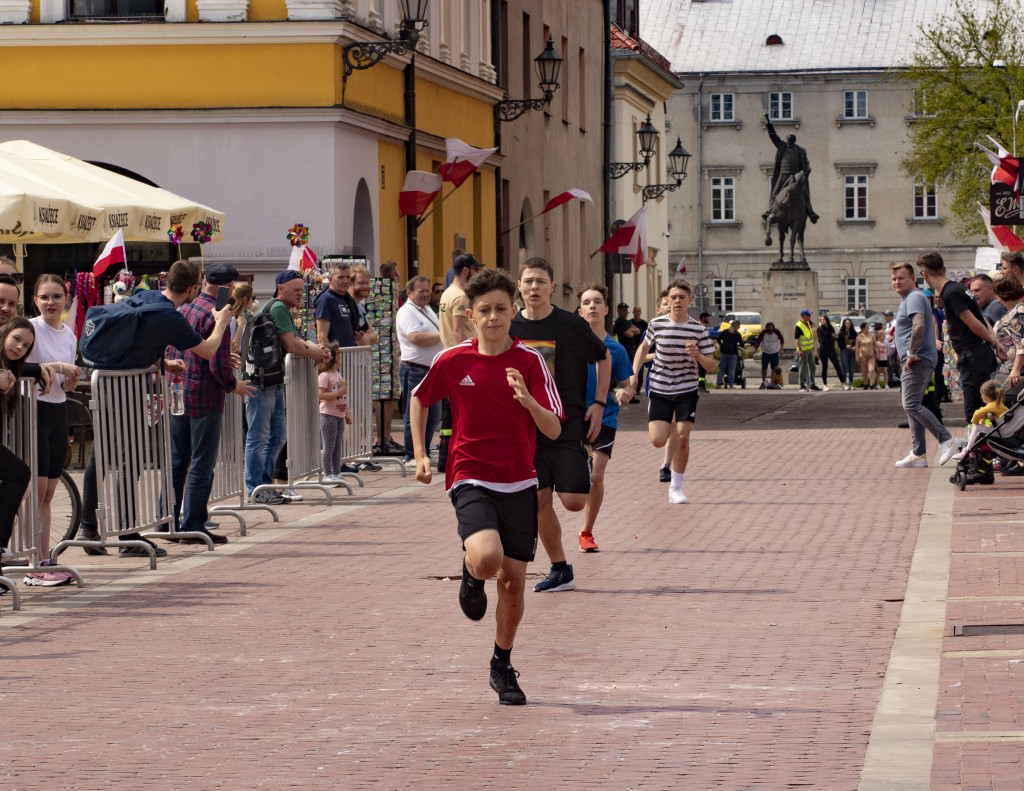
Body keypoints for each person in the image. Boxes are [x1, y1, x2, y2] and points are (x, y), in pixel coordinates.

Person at [409, 267, 563, 705]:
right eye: (484, 310)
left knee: (514, 582)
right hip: (469, 473)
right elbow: (421, 399)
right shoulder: (453, 360)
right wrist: (420, 453)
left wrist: (528, 401)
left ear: (513, 311)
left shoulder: (531, 362)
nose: (493, 317)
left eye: (500, 308)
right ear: (470, 317)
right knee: (488, 558)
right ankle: (472, 572)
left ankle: (502, 663)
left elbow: (552, 430)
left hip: (519, 479)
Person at [76, 261, 234, 557]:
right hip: (127, 389)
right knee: (131, 460)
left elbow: (135, 342)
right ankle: (127, 534)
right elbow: (208, 349)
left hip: (107, 383)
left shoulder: (146, 296)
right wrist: (222, 320)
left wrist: (162, 363)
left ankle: (87, 527)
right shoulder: (168, 316)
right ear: (191, 288)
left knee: (102, 455)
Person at [510, 258, 609, 592]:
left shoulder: (571, 324)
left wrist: (599, 403)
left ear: (552, 287)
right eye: (528, 281)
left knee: (573, 502)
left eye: (541, 281)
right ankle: (560, 569)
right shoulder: (510, 327)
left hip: (567, 423)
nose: (534, 287)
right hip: (525, 428)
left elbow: (603, 356)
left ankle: (576, 466)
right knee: (539, 500)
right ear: (519, 286)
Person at [167, 263, 255, 545]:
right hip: (205, 396)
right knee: (202, 463)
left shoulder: (187, 309)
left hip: (180, 391)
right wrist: (234, 385)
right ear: (227, 288)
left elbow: (175, 348)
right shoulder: (219, 315)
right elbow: (217, 364)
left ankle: (167, 520)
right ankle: (193, 523)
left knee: (179, 460)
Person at [244, 270, 330, 505]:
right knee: (259, 436)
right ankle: (256, 488)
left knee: (277, 435)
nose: (301, 294)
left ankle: (265, 485)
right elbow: (291, 344)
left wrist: (314, 349)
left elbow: (295, 339)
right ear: (281, 289)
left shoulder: (281, 308)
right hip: (262, 382)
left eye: (302, 290)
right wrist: (315, 352)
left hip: (272, 380)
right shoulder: (279, 308)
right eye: (296, 290)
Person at [630, 279, 717, 504]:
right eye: (673, 297)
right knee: (659, 440)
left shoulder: (699, 330)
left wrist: (698, 356)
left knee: (682, 438)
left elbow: (712, 365)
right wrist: (633, 374)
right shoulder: (657, 324)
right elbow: (642, 349)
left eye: (681, 297)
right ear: (667, 300)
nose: (677, 301)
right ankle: (664, 422)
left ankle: (676, 487)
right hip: (659, 387)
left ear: (690, 301)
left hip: (687, 389)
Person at [27, 275, 80, 572]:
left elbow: (64, 383)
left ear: (65, 300)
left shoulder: (69, 335)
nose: (50, 302)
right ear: (35, 300)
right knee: (35, 490)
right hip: (32, 410)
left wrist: (70, 380)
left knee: (49, 492)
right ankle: (33, 557)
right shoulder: (29, 329)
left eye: (56, 297)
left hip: (58, 412)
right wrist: (59, 368)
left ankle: (44, 556)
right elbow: (21, 365)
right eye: (45, 297)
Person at [576, 284, 635, 553]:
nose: (592, 306)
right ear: (580, 311)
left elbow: (625, 383)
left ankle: (586, 532)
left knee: (596, 476)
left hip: (605, 418)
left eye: (597, 302)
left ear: (606, 309)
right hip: (572, 417)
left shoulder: (617, 349)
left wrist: (624, 391)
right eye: (587, 302)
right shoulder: (570, 346)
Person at [918, 251, 1004, 423]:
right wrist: (994, 342)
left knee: (975, 408)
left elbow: (973, 322)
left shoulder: (950, 294)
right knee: (982, 403)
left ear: (924, 275)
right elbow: (981, 318)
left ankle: (980, 446)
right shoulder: (960, 288)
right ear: (944, 268)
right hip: (979, 352)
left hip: (973, 354)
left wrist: (992, 342)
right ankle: (982, 443)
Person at [890, 261, 957, 468]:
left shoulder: (914, 297)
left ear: (913, 278)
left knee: (910, 404)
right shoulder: (909, 298)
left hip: (918, 359)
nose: (897, 282)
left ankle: (947, 439)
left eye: (901, 277)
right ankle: (919, 453)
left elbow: (918, 324)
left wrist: (911, 353)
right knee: (913, 405)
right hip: (916, 359)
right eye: (894, 279)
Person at [437, 253, 483, 472]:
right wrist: (468, 360)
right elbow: (458, 331)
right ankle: (452, 457)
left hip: (449, 357)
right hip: (460, 361)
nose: (478, 274)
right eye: (476, 270)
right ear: (466, 270)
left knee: (450, 411)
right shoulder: (461, 297)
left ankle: (446, 456)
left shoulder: (447, 293)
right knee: (462, 411)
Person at [396, 276, 444, 462]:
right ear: (409, 293)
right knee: (414, 416)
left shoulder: (427, 310)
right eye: (420, 291)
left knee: (433, 416)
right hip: (414, 370)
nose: (425, 294)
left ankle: (422, 451)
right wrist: (443, 337)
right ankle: (412, 456)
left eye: (427, 291)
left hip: (432, 371)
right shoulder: (407, 311)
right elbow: (415, 338)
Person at [0, 318, 34, 564]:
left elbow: (32, 368)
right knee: (19, 473)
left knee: (19, 473)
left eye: (26, 345)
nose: (20, 347)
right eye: (17, 339)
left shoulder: (11, 369)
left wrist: (56, 368)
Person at [762, 114, 820, 224]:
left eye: (791, 141)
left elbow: (804, 166)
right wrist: (769, 126)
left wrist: (806, 172)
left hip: (795, 175)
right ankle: (770, 211)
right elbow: (774, 137)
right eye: (788, 140)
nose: (789, 142)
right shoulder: (782, 146)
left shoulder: (800, 151)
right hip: (783, 174)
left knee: (805, 193)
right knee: (775, 192)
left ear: (794, 140)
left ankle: (810, 212)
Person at [318, 341, 352, 484]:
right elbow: (320, 395)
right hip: (328, 414)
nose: (341, 357)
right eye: (338, 354)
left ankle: (336, 472)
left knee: (338, 445)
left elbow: (343, 397)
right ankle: (327, 473)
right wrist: (337, 392)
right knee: (329, 445)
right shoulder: (325, 375)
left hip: (339, 414)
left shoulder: (338, 374)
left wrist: (347, 414)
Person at [954, 380, 1008, 462]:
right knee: (979, 427)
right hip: (1003, 430)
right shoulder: (999, 404)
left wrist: (975, 422)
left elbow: (977, 414)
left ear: (985, 397)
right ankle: (972, 449)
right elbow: (988, 416)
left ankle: (968, 450)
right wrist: (983, 420)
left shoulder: (991, 406)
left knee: (976, 427)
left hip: (999, 433)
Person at [315, 261, 360, 349]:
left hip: (349, 357)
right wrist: (331, 360)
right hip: (336, 358)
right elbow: (321, 337)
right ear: (330, 279)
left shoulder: (346, 299)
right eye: (340, 277)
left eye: (348, 277)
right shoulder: (326, 300)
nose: (345, 281)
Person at [753, 321, 784, 388]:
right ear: (766, 329)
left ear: (773, 329)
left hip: (774, 352)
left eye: (771, 330)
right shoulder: (763, 332)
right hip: (765, 353)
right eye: (768, 330)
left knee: (774, 368)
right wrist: (755, 348)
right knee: (764, 368)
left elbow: (782, 340)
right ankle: (764, 381)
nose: (770, 332)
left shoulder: (777, 332)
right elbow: (758, 341)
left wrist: (781, 349)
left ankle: (772, 381)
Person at [794, 309, 819, 391]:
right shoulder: (798, 325)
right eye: (808, 315)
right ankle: (801, 384)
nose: (810, 316)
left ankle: (812, 384)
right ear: (803, 316)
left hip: (809, 349)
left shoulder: (808, 323)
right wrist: (800, 350)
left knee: (812, 366)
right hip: (803, 350)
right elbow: (797, 339)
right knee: (803, 367)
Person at [816, 314, 841, 391]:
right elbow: (821, 340)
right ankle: (825, 385)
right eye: (821, 320)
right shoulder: (819, 329)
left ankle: (843, 383)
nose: (822, 320)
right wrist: (831, 338)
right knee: (825, 367)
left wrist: (833, 338)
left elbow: (833, 339)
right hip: (823, 350)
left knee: (837, 365)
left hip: (831, 349)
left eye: (824, 319)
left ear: (827, 320)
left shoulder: (831, 328)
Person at [228, 282, 254, 357]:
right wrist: (240, 326)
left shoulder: (240, 318)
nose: (253, 301)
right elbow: (233, 349)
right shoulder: (232, 320)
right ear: (245, 299)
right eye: (252, 298)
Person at [631, 306, 649, 398]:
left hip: (641, 347)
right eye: (635, 311)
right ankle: (631, 387)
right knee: (632, 368)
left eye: (639, 311)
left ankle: (638, 388)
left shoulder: (644, 324)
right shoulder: (630, 322)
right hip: (631, 348)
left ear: (641, 312)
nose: (637, 312)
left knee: (640, 368)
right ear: (633, 312)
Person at [855, 322, 878, 389]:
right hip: (863, 355)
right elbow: (857, 347)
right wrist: (857, 356)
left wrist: (877, 353)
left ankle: (872, 383)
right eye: (867, 327)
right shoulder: (859, 337)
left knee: (872, 369)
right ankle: (865, 384)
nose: (868, 328)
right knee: (864, 370)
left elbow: (875, 345)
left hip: (871, 355)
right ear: (863, 328)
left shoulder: (872, 336)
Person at [837, 318, 857, 390]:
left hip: (852, 351)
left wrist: (855, 346)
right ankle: (844, 383)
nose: (848, 325)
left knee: (851, 368)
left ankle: (851, 383)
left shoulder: (853, 332)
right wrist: (845, 346)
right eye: (846, 323)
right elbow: (839, 344)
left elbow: (856, 342)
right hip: (844, 351)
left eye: (849, 323)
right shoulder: (841, 333)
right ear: (844, 324)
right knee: (844, 367)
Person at [882, 310, 899, 388]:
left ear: (891, 316)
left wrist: (892, 337)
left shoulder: (895, 322)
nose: (885, 317)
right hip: (888, 346)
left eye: (886, 315)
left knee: (892, 362)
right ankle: (890, 381)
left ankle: (899, 376)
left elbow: (896, 332)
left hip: (894, 346)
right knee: (888, 364)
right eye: (885, 315)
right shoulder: (888, 324)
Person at [696, 312, 711, 392]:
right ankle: (700, 386)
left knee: (702, 371)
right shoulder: (699, 327)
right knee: (701, 371)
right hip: (700, 352)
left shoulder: (701, 326)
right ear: (703, 318)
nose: (709, 319)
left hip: (702, 352)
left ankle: (701, 386)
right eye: (708, 317)